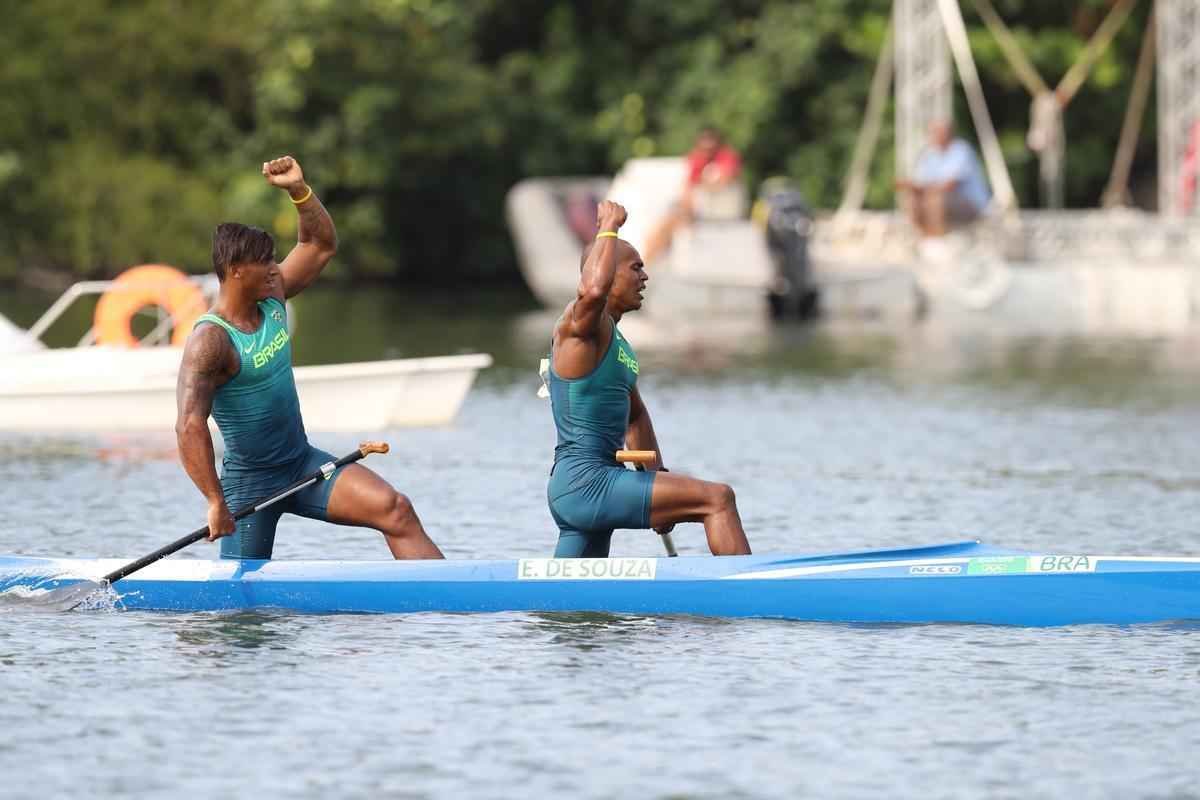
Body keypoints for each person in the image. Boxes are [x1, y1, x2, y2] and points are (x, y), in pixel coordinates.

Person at [175, 155, 443, 560]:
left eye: (272, 259)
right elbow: (189, 425)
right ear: (234, 270)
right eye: (262, 261)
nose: (272, 268)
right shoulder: (211, 341)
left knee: (396, 510)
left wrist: (299, 191)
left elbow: (319, 244)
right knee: (242, 606)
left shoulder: (272, 296)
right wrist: (215, 501)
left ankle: (445, 603)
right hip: (250, 484)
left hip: (301, 463)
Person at [545, 199, 752, 558]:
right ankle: (753, 598)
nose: (645, 276)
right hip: (586, 483)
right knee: (718, 498)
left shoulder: (618, 343)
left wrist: (657, 473)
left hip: (588, 486)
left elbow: (636, 415)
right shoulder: (579, 327)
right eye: (636, 268)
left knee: (572, 607)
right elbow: (593, 291)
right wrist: (608, 226)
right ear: (608, 273)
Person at [641, 126, 743, 266]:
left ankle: (646, 264)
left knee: (665, 227)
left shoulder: (727, 157)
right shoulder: (698, 158)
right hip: (696, 210)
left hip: (714, 211)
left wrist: (701, 186)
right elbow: (688, 188)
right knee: (661, 228)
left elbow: (724, 181)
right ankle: (647, 262)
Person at [895, 120, 991, 237]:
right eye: (933, 132)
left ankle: (937, 238)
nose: (934, 135)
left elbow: (949, 186)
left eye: (938, 132)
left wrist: (919, 187)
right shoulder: (929, 154)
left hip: (972, 204)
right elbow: (920, 183)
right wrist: (909, 185)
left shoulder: (961, 151)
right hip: (945, 199)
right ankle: (923, 237)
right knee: (912, 199)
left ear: (949, 133)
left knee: (936, 198)